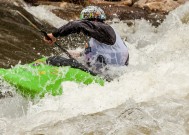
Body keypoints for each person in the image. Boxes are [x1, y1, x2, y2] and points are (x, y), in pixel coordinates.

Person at [44, 6, 129, 74]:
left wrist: (54, 34)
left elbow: (77, 25)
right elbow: (102, 53)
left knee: (54, 60)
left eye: (86, 22)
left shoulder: (104, 28)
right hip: (106, 76)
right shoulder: (104, 36)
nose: (86, 27)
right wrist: (80, 54)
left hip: (101, 76)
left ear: (95, 20)